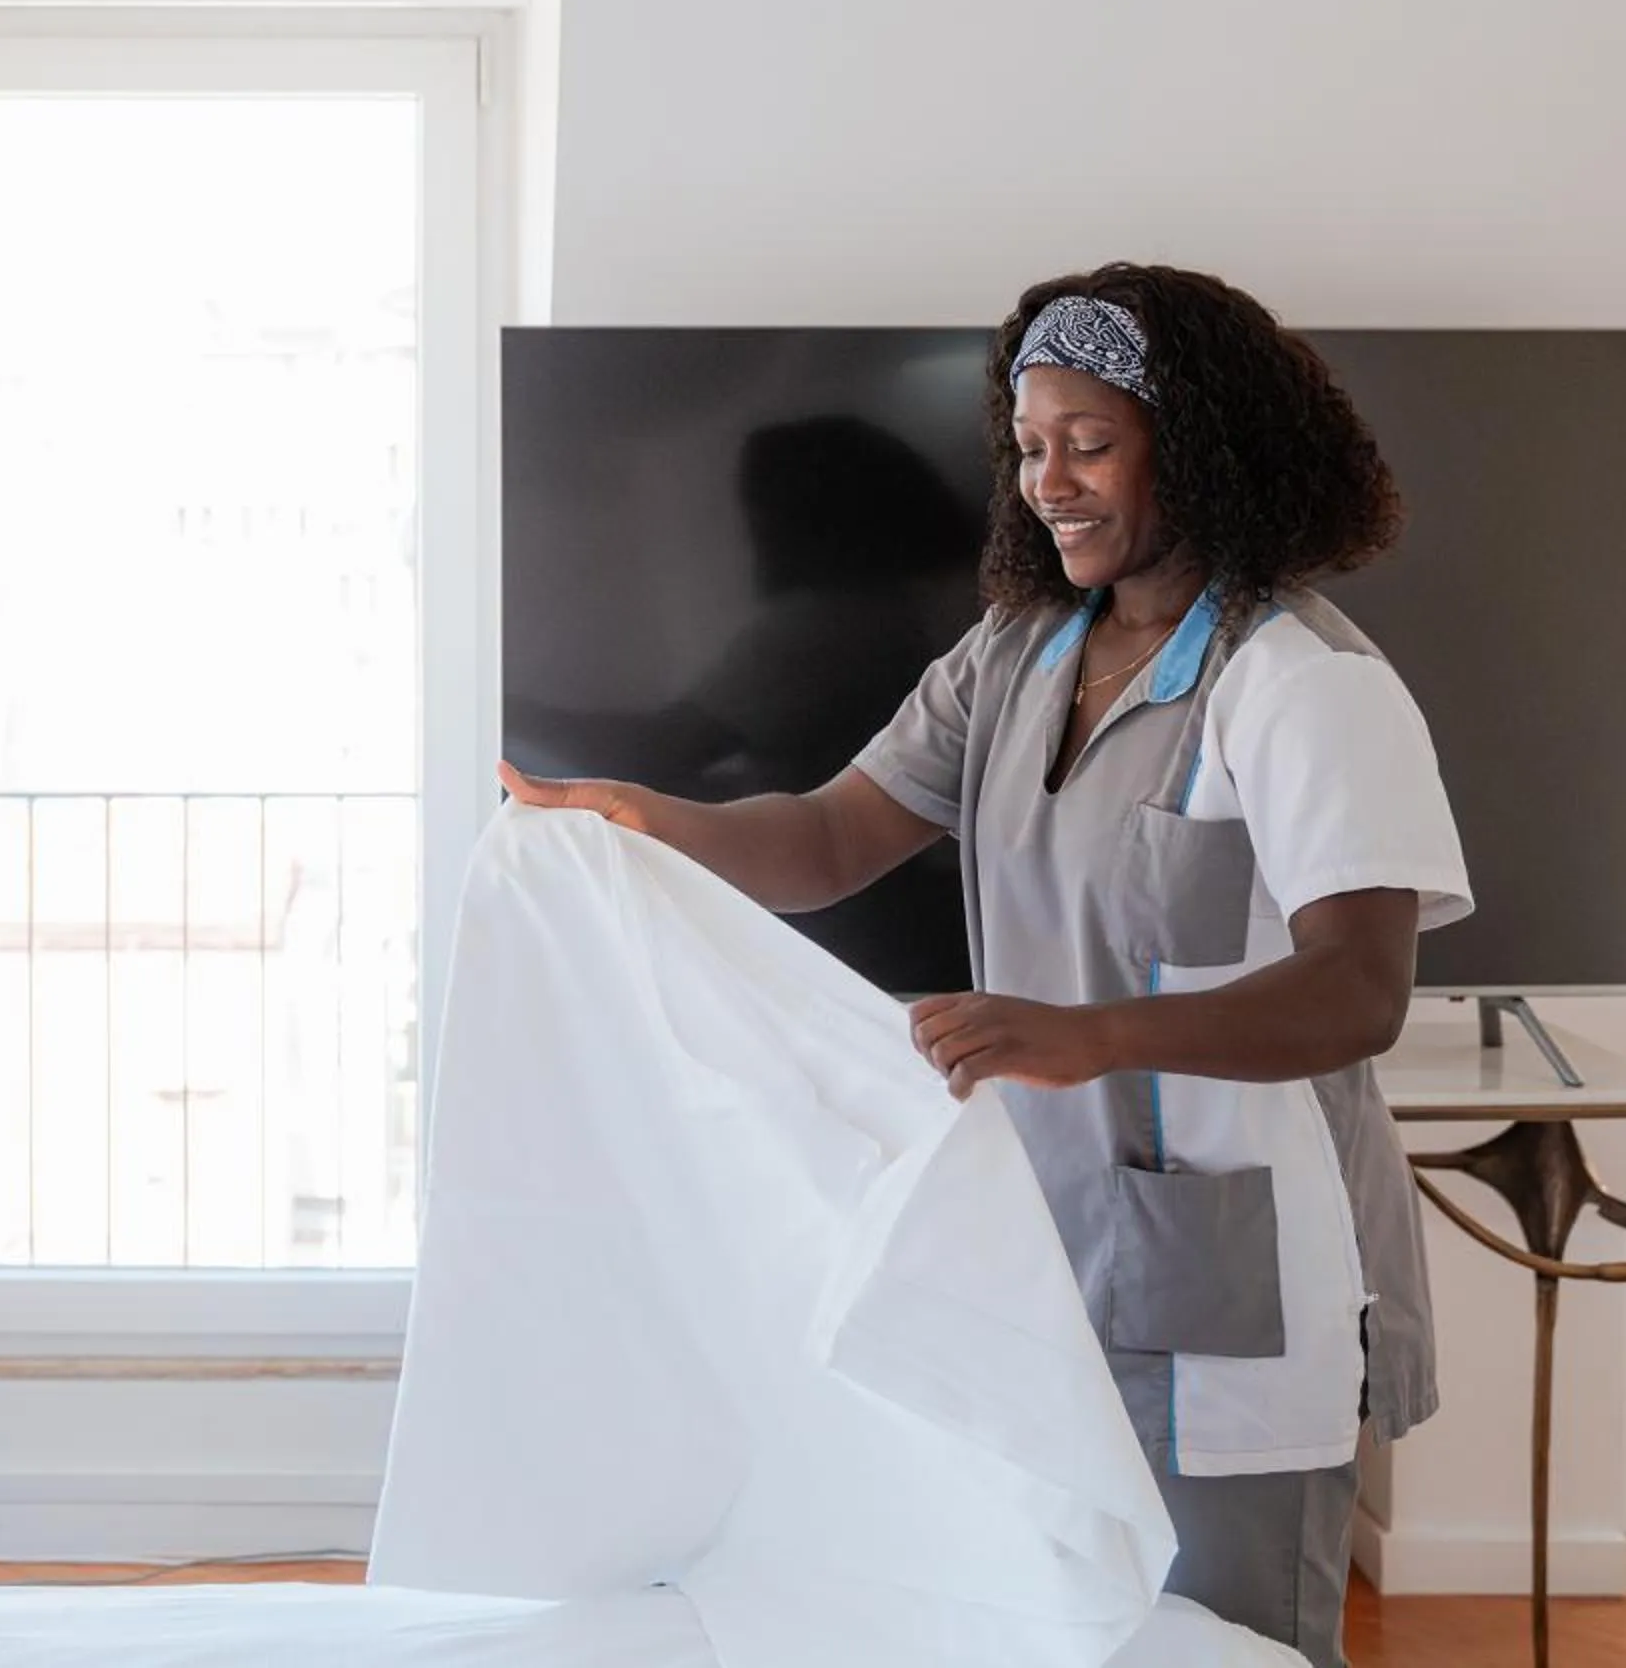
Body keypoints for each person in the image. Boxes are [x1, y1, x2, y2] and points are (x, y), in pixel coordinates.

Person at [499, 263, 1470, 1668]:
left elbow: (1358, 993)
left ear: (1194, 446)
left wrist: (1090, 1035)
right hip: (1050, 1257)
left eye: (1090, 442)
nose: (1048, 482)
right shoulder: (1018, 657)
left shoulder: (1305, 685)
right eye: (1029, 448)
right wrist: (645, 824)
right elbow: (832, 836)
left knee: (1232, 1647)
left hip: (1243, 1291)